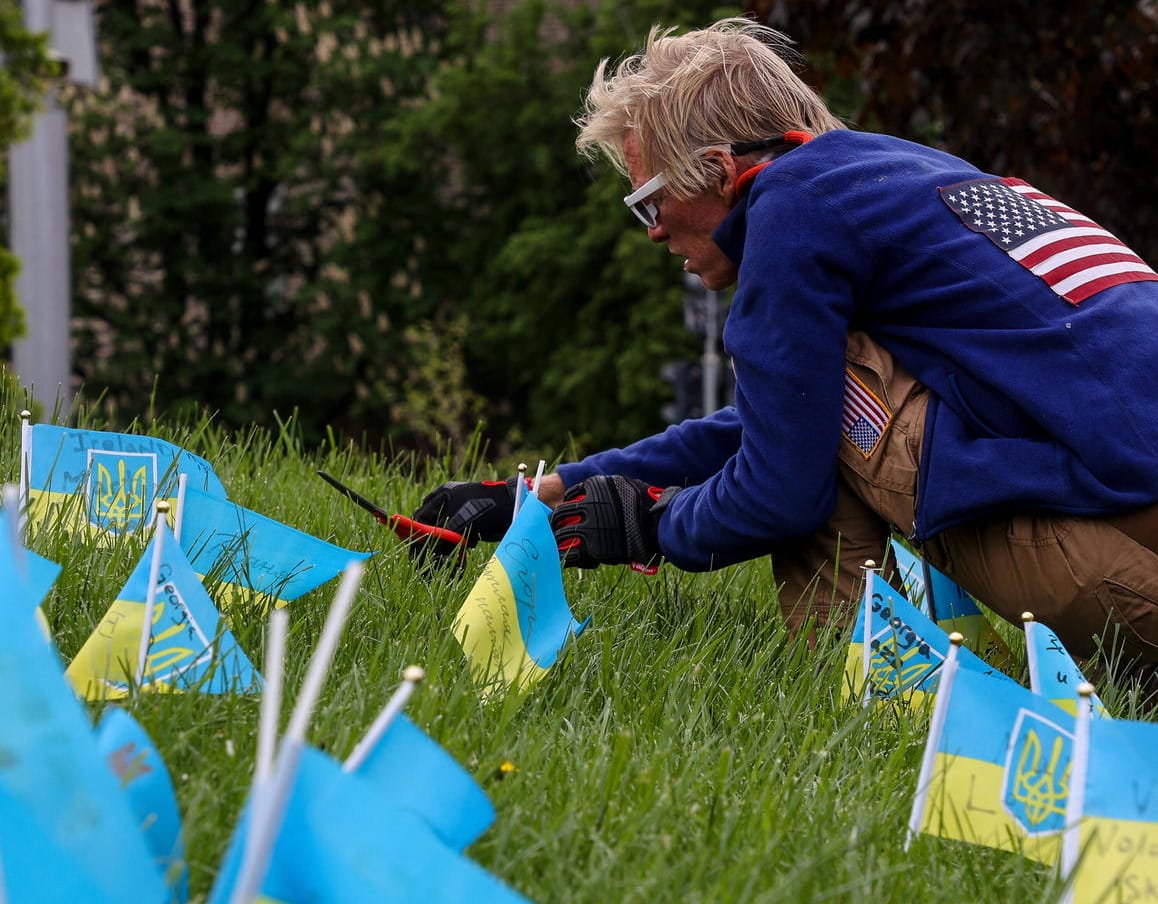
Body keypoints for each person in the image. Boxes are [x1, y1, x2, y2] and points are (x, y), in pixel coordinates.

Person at [411, 17, 1158, 677]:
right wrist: (546, 496)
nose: (652, 231)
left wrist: (651, 523)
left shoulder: (793, 209)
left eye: (649, 200)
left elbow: (783, 482)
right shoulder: (893, 175)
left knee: (818, 435)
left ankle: (891, 700)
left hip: (1130, 571)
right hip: (1129, 532)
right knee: (826, 408)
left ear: (718, 169)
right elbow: (782, 417)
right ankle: (936, 682)